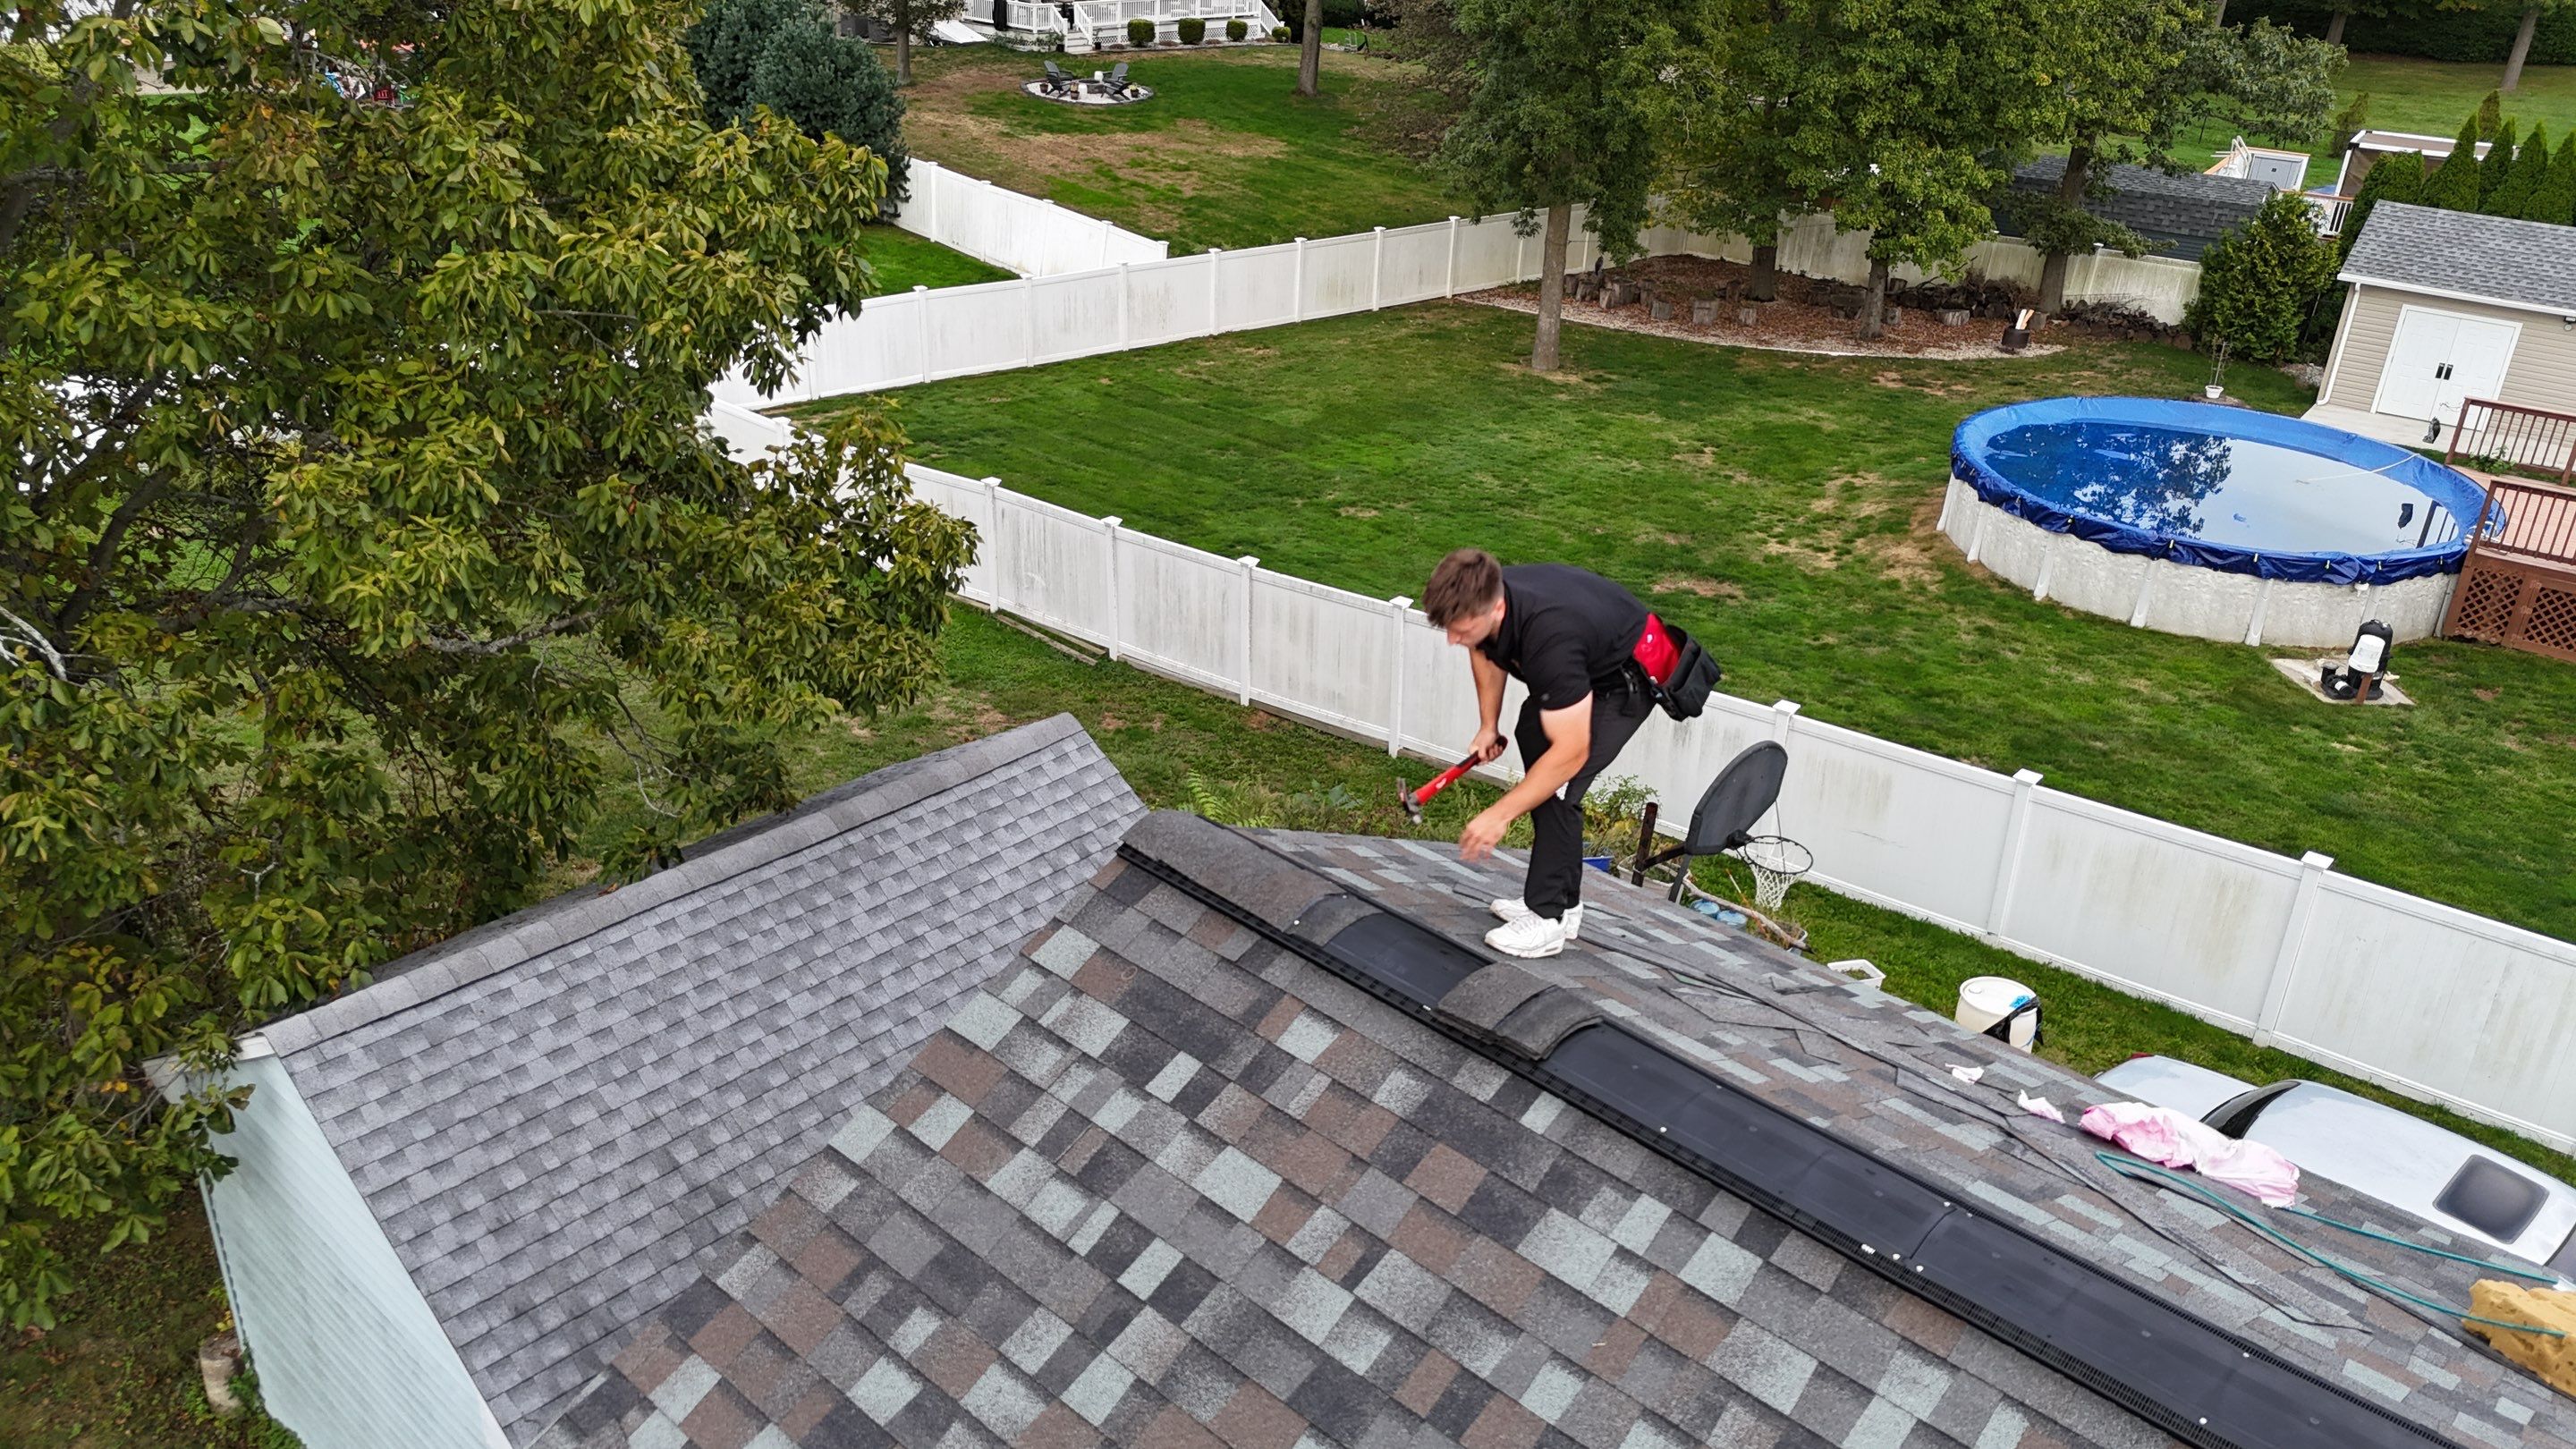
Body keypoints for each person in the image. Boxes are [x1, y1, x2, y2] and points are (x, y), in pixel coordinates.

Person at [1421, 548, 1679, 960]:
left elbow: (1571, 754)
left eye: (1460, 628)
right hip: (1586, 657)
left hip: (1622, 681)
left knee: (1559, 787)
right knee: (1532, 733)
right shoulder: (1485, 598)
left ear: (1496, 609)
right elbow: (1483, 647)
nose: (1453, 638)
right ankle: (1565, 901)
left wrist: (1499, 815)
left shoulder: (1549, 639)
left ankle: (1548, 918)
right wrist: (1488, 725)